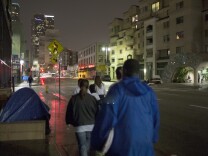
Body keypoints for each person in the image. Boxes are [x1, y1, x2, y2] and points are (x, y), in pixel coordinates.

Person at [91, 59, 160, 156]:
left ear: (124, 71)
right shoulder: (149, 92)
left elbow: (106, 118)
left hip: (122, 149)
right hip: (145, 148)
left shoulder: (117, 90)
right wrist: (153, 138)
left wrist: (97, 143)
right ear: (138, 72)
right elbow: (155, 119)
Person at [65, 79, 98, 156]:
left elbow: (69, 112)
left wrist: (70, 122)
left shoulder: (73, 99)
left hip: (79, 126)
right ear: (88, 87)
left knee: (82, 146)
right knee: (87, 146)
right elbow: (97, 112)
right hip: (91, 126)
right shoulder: (92, 99)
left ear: (79, 86)